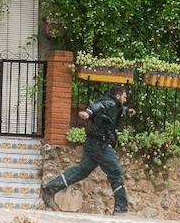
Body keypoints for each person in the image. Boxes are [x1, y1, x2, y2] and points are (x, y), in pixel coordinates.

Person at [40, 85, 136, 213]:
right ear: (118, 96)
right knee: (116, 172)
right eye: (124, 96)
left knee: (82, 170)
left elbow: (115, 108)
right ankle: (121, 208)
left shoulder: (113, 104)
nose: (126, 98)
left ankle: (50, 188)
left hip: (91, 144)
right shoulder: (109, 103)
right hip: (100, 145)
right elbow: (98, 107)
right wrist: (88, 113)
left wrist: (127, 110)